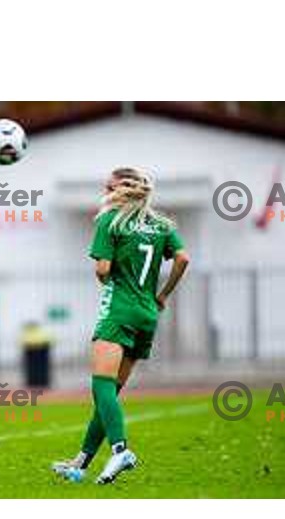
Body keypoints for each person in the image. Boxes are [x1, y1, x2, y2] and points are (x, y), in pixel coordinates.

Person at [53, 167, 190, 484]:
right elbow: (182, 258)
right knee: (110, 393)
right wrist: (163, 294)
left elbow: (103, 269)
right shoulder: (162, 224)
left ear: (119, 189)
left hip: (119, 310)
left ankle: (120, 450)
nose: (104, 190)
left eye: (108, 186)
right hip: (147, 313)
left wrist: (107, 276)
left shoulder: (109, 220)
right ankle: (81, 463)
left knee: (101, 386)